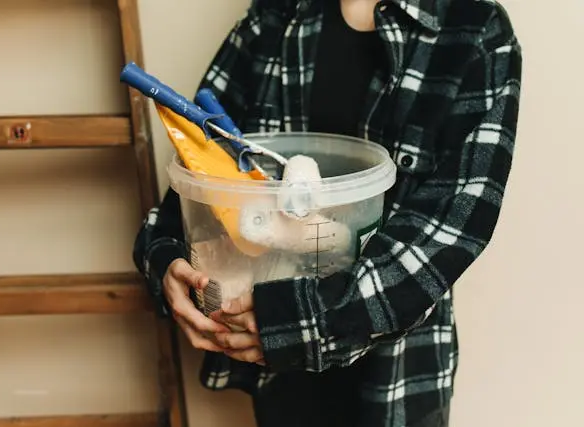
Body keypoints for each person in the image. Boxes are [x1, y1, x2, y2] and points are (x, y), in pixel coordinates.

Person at [132, 0, 522, 426]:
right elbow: (199, 174)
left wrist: (295, 322)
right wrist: (166, 258)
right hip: (276, 378)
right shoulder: (274, 17)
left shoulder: (474, 30)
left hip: (399, 375)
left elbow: (454, 225)